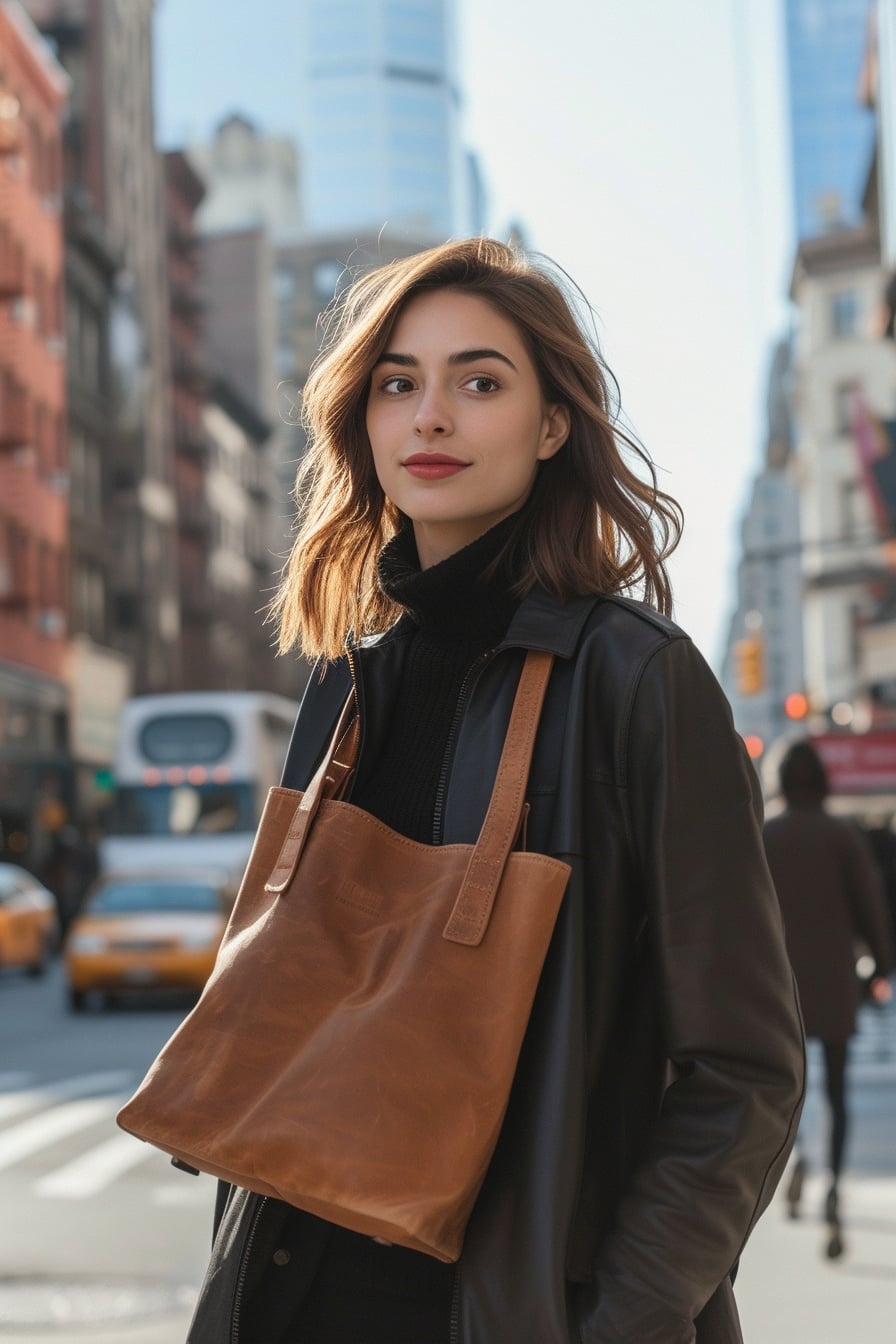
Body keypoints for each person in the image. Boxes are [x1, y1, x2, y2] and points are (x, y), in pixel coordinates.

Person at [186, 237, 805, 1344]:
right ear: (361, 424)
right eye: (397, 384)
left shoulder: (635, 679)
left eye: (479, 382)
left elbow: (742, 1071)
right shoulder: (346, 685)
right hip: (289, 1300)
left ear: (549, 424)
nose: (430, 417)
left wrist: (623, 1319)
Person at [763, 740, 894, 1260]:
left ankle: (795, 1165)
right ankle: (833, 1186)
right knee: (836, 1094)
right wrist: (881, 967)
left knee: (788, 1090)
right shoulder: (843, 836)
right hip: (836, 983)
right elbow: (871, 907)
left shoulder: (766, 835)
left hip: (779, 987)